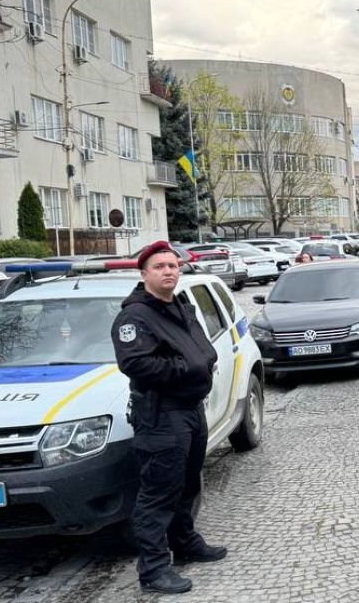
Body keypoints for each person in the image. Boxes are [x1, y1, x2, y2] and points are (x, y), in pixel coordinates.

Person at [111, 241, 227, 595]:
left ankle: (185, 542)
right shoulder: (134, 317)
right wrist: (187, 367)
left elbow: (200, 349)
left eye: (173, 266)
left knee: (188, 484)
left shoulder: (180, 306)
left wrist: (199, 363)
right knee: (158, 494)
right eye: (160, 266)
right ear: (144, 273)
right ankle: (153, 570)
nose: (168, 271)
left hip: (191, 410)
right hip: (161, 415)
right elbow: (136, 364)